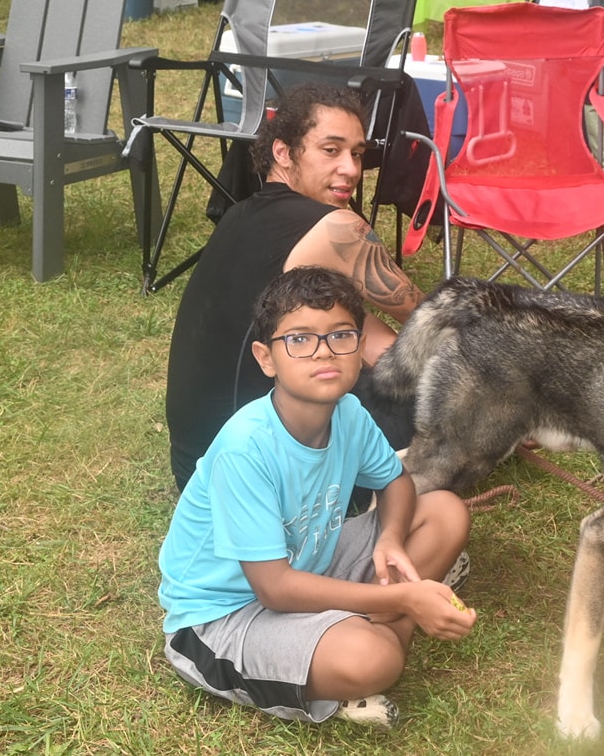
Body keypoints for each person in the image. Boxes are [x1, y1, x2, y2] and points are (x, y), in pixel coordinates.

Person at [159, 267, 473, 730]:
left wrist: (389, 538)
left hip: (311, 562)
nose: (323, 351)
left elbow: (396, 483)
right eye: (300, 339)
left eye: (340, 335)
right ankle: (385, 627)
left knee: (444, 511)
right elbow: (275, 588)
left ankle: (379, 620)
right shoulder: (246, 447)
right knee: (371, 659)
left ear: (360, 346)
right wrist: (406, 597)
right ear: (266, 358)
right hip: (224, 617)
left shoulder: (347, 411)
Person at [165, 83, 421, 491]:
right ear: (284, 153)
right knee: (440, 412)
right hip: (268, 481)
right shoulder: (337, 227)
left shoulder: (239, 215)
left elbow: (369, 336)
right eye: (331, 150)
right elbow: (427, 320)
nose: (352, 169)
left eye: (357, 153)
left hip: (197, 470)